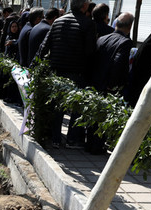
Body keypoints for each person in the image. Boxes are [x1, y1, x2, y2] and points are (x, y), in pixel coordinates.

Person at [37, 0, 97, 148]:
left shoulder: (58, 22)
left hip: (56, 70)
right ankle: (72, 140)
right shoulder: (88, 24)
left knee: (57, 106)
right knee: (76, 106)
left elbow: (44, 45)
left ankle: (56, 139)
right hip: (77, 72)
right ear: (84, 6)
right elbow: (90, 52)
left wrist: (35, 66)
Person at [86, 12, 134, 154]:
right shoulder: (125, 42)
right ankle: (97, 147)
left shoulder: (102, 38)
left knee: (94, 114)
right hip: (108, 85)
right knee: (104, 116)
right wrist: (113, 84)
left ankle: (89, 144)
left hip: (95, 81)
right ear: (130, 26)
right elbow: (118, 63)